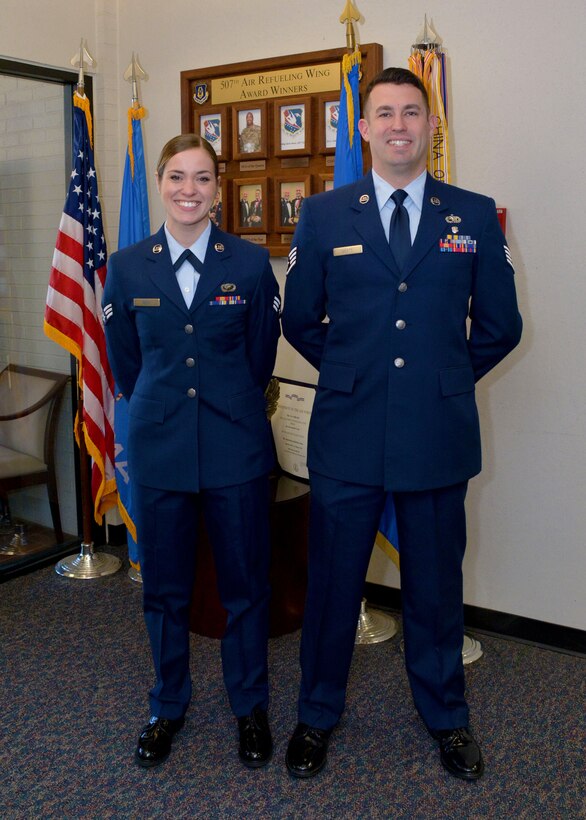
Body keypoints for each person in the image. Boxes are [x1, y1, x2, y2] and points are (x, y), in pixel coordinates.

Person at [281, 67, 522, 781]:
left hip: (436, 433)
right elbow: (299, 319)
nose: (397, 125)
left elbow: (501, 327)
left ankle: (447, 717)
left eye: (411, 112)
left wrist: (441, 379)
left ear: (430, 126)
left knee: (435, 587)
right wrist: (363, 376)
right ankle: (315, 716)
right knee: (331, 587)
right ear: (362, 128)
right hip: (347, 432)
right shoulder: (325, 215)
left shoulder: (474, 215)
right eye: (383, 112)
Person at [103, 134, 280, 770]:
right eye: (177, 177)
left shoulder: (250, 263)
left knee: (245, 588)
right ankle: (167, 704)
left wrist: (227, 401)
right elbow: (126, 363)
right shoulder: (126, 266)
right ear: (159, 181)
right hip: (160, 447)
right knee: (166, 590)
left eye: (202, 178)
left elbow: (260, 357)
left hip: (235, 445)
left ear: (217, 187)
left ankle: (250, 706)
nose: (189, 190)